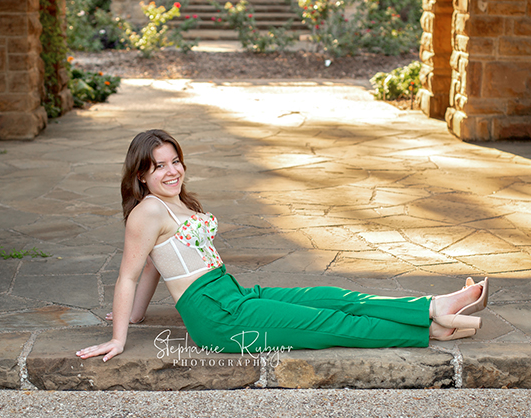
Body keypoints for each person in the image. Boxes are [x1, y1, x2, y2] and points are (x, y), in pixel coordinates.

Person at [77, 130, 488, 362]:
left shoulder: (175, 201)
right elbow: (129, 273)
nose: (172, 171)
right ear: (141, 176)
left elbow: (154, 265)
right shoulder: (147, 212)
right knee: (330, 326)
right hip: (218, 319)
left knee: (331, 297)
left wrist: (135, 315)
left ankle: (431, 307)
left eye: (175, 161)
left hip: (232, 295)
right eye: (159, 166)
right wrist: (119, 337)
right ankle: (431, 330)